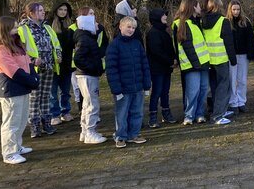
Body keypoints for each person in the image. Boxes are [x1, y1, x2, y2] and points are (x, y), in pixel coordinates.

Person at [0, 16, 40, 164]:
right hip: (11, 89)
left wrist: (33, 76)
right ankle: (9, 152)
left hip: (22, 87)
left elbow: (27, 62)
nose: (16, 30)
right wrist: (31, 80)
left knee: (21, 120)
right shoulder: (0, 50)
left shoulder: (17, 44)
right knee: (11, 122)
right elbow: (13, 70)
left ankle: (17, 146)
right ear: (5, 30)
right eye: (13, 28)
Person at [106, 16, 151, 148]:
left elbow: (144, 65)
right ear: (121, 27)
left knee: (137, 112)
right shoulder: (114, 46)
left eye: (133, 28)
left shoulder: (137, 44)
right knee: (122, 113)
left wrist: (147, 84)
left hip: (138, 86)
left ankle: (134, 134)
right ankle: (120, 136)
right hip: (122, 88)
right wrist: (116, 89)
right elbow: (111, 69)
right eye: (128, 27)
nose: (131, 30)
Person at [18, 2, 62, 138]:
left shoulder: (47, 27)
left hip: (48, 67)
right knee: (34, 97)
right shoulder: (23, 28)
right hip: (33, 69)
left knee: (46, 96)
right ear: (31, 13)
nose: (43, 12)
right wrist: (32, 60)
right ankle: (35, 126)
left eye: (43, 10)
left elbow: (56, 43)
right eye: (40, 10)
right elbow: (20, 50)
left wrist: (58, 56)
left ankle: (47, 123)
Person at [172, 0, 210, 126]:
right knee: (193, 91)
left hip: (203, 63)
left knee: (203, 90)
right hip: (192, 65)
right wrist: (196, 64)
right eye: (198, 6)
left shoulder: (196, 22)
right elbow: (187, 46)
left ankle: (200, 114)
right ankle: (189, 115)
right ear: (193, 8)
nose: (201, 8)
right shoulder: (180, 24)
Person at [201, 0, 236, 125]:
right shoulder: (223, 21)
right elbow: (229, 42)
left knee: (214, 87)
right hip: (221, 59)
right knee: (224, 87)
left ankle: (218, 110)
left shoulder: (202, 21)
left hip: (208, 59)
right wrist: (233, 59)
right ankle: (218, 115)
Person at [73, 14, 107, 144]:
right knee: (92, 104)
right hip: (87, 75)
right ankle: (90, 132)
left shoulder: (86, 38)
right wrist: (92, 68)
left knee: (87, 104)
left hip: (86, 74)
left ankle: (85, 131)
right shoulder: (85, 39)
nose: (97, 25)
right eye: (94, 23)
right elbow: (78, 59)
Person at [70, 7, 109, 115]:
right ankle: (88, 124)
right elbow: (76, 52)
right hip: (83, 68)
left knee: (91, 98)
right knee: (86, 98)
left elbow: (104, 42)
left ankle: (88, 122)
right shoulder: (75, 30)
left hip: (93, 65)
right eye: (90, 13)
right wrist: (90, 66)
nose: (93, 15)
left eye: (93, 13)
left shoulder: (98, 27)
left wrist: (99, 53)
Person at [146, 9, 177, 128]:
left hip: (166, 68)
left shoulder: (164, 32)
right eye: (163, 15)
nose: (165, 17)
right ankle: (153, 116)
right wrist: (170, 61)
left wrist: (174, 59)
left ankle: (166, 112)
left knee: (165, 91)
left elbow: (170, 48)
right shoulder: (153, 33)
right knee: (157, 92)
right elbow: (156, 51)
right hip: (157, 68)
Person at [47, 0, 74, 126]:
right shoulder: (49, 24)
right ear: (55, 10)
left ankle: (66, 111)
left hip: (67, 63)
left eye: (65, 10)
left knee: (66, 90)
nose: (63, 12)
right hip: (54, 63)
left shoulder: (71, 25)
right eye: (60, 9)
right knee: (53, 92)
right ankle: (54, 114)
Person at [227, 0, 254, 113]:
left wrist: (251, 53)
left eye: (238, 9)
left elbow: (250, 39)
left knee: (242, 80)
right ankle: (233, 102)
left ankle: (241, 101)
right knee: (232, 79)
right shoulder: (226, 22)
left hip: (243, 55)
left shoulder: (245, 22)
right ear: (230, 10)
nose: (236, 12)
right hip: (232, 55)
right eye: (234, 9)